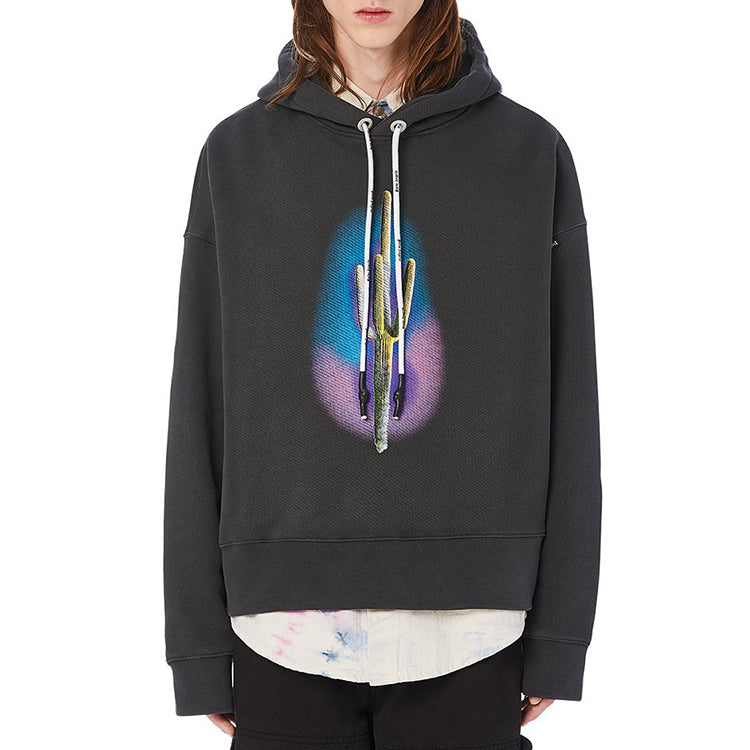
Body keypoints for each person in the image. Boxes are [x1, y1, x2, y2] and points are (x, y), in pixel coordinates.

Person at [163, 2, 602, 748]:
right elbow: (200, 398)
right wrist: (197, 646)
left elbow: (570, 398)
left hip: (474, 628)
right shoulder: (237, 156)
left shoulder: (528, 154)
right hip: (282, 630)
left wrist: (562, 632)